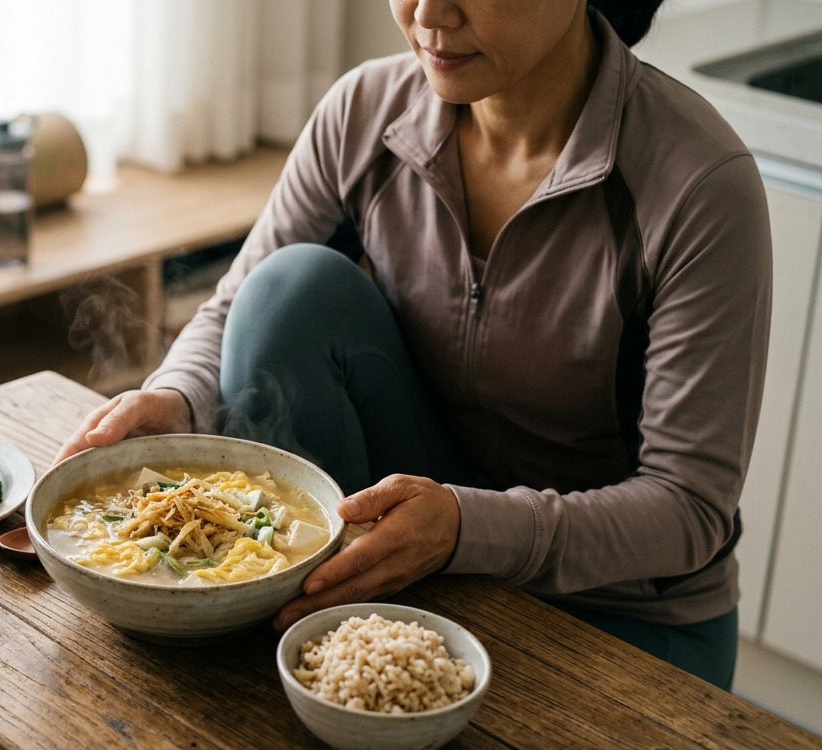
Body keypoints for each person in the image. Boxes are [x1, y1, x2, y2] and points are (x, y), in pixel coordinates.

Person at [55, 0, 769, 691]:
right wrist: (175, 396)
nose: (429, 14)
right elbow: (236, 310)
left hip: (622, 604)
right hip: (406, 538)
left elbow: (688, 508)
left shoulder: (697, 184)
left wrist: (467, 528)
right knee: (287, 287)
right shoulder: (365, 111)